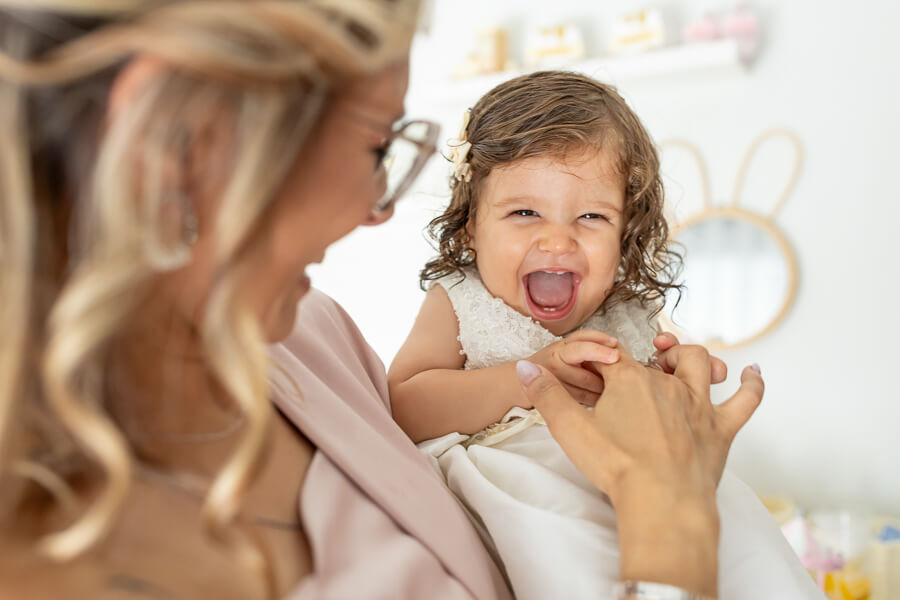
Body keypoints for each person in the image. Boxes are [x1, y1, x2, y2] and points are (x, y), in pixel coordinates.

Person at [0, 1, 767, 599]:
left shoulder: (315, 338)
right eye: (377, 146)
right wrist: (670, 529)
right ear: (179, 141)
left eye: (592, 217)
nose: (381, 207)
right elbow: (422, 404)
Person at [389, 72, 822, 599]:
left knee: (744, 539)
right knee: (573, 553)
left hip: (648, 481)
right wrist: (531, 378)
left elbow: (652, 406)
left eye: (592, 216)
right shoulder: (460, 299)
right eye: (525, 212)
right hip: (527, 488)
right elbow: (404, 407)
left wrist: (672, 383)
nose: (557, 239)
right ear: (471, 228)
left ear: (626, 232)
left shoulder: (628, 310)